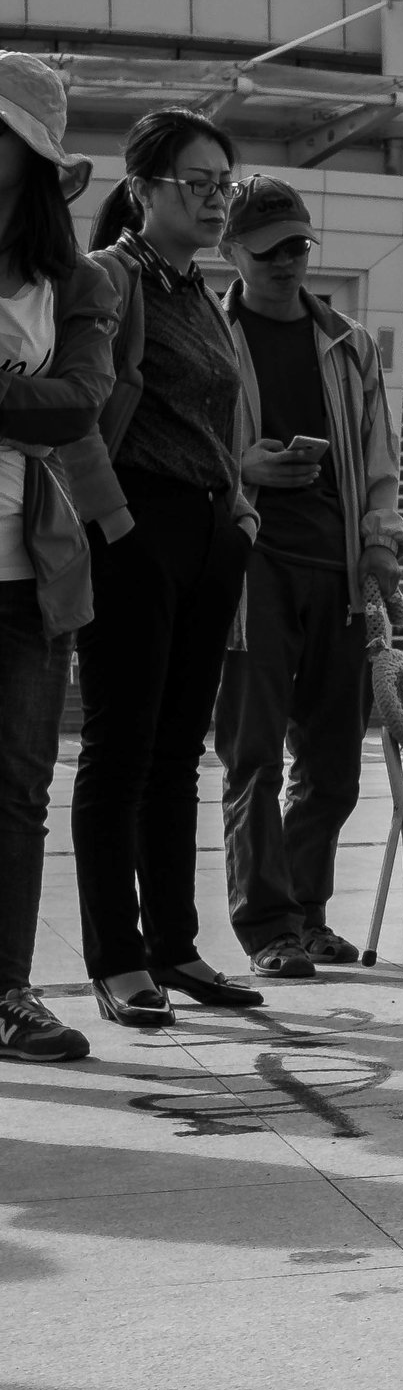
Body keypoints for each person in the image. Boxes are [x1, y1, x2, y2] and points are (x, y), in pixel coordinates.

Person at [75, 108, 261, 1027]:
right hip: (134, 528)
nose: (218, 198)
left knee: (180, 751)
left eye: (225, 182)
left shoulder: (200, 290)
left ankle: (175, 945)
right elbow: (76, 409)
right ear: (143, 188)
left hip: (206, 534)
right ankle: (116, 957)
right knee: (119, 750)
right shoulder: (110, 278)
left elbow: (219, 420)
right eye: (198, 183)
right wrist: (115, 523)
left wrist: (238, 507)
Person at [214, 176, 403, 979]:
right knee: (252, 752)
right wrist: (242, 467)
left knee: (332, 758)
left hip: (336, 566)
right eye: (269, 252)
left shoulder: (350, 342)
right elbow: (181, 445)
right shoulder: (211, 333)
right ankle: (267, 925)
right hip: (252, 560)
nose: (288, 262)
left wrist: (381, 551)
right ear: (232, 253)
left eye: (298, 245)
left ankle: (305, 909)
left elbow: (378, 458)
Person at [0, 54, 122, 1063]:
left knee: (17, 790)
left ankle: (6, 989)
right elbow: (43, 403)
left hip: (30, 576)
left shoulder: (75, 284)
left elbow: (80, 402)